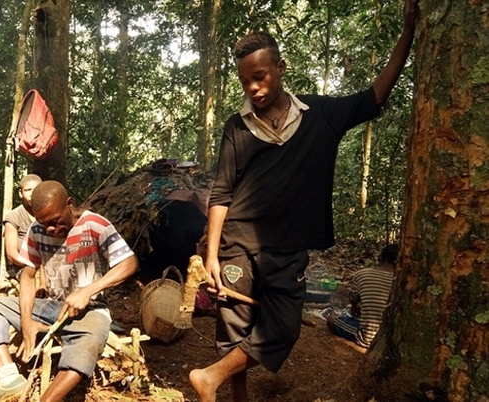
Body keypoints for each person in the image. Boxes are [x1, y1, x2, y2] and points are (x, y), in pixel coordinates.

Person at [189, 1, 418, 401]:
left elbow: (375, 96)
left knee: (282, 328)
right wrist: (211, 254)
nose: (253, 88)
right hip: (235, 245)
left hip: (287, 250)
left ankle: (208, 378)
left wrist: (408, 32)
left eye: (260, 76)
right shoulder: (236, 128)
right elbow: (222, 192)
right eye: (245, 82)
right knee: (235, 329)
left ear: (280, 67)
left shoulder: (321, 115)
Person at [0, 180, 139, 402]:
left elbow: (129, 263)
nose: (50, 229)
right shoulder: (36, 229)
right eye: (44, 224)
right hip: (51, 306)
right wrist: (26, 321)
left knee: (90, 339)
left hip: (90, 311)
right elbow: (28, 276)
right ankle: (9, 379)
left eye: (54, 221)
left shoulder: (95, 224)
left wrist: (88, 291)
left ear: (69, 204)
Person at [327, 244, 398, 348]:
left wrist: (355, 308)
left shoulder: (363, 274)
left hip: (368, 337)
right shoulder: (401, 283)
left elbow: (353, 299)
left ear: (380, 258)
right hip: (393, 340)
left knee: (332, 319)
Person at [3, 174, 47, 296]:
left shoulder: (48, 213)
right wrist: (34, 265)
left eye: (36, 189)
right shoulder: (14, 217)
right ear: (20, 193)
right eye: (28, 190)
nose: (32, 194)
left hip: (48, 265)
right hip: (24, 266)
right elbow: (12, 254)